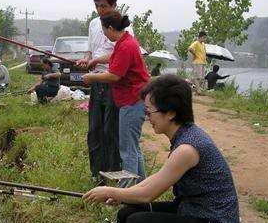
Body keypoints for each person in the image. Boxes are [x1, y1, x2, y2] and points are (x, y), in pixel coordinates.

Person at [83, 74, 240, 223]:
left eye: (149, 112)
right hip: (190, 209)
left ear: (171, 113)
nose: (147, 118)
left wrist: (110, 191)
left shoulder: (187, 149)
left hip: (211, 218)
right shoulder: (185, 135)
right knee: (127, 212)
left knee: (136, 220)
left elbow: (148, 195)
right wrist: (122, 195)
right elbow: (157, 178)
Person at [75, 0, 136, 182]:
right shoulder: (94, 24)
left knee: (111, 131)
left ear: (114, 5)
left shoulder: (123, 27)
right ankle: (96, 173)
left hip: (113, 83)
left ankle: (113, 174)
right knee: (95, 130)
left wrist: (97, 61)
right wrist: (87, 59)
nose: (100, 10)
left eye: (104, 6)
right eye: (97, 6)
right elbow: (90, 50)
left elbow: (121, 55)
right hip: (96, 82)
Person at [82, 11, 149, 184]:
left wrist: (91, 77)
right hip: (133, 101)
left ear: (111, 28)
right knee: (133, 148)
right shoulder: (124, 41)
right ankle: (141, 187)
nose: (104, 35)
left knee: (127, 150)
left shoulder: (126, 46)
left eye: (104, 32)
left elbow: (114, 76)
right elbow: (113, 57)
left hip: (132, 102)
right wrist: (95, 60)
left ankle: (126, 193)